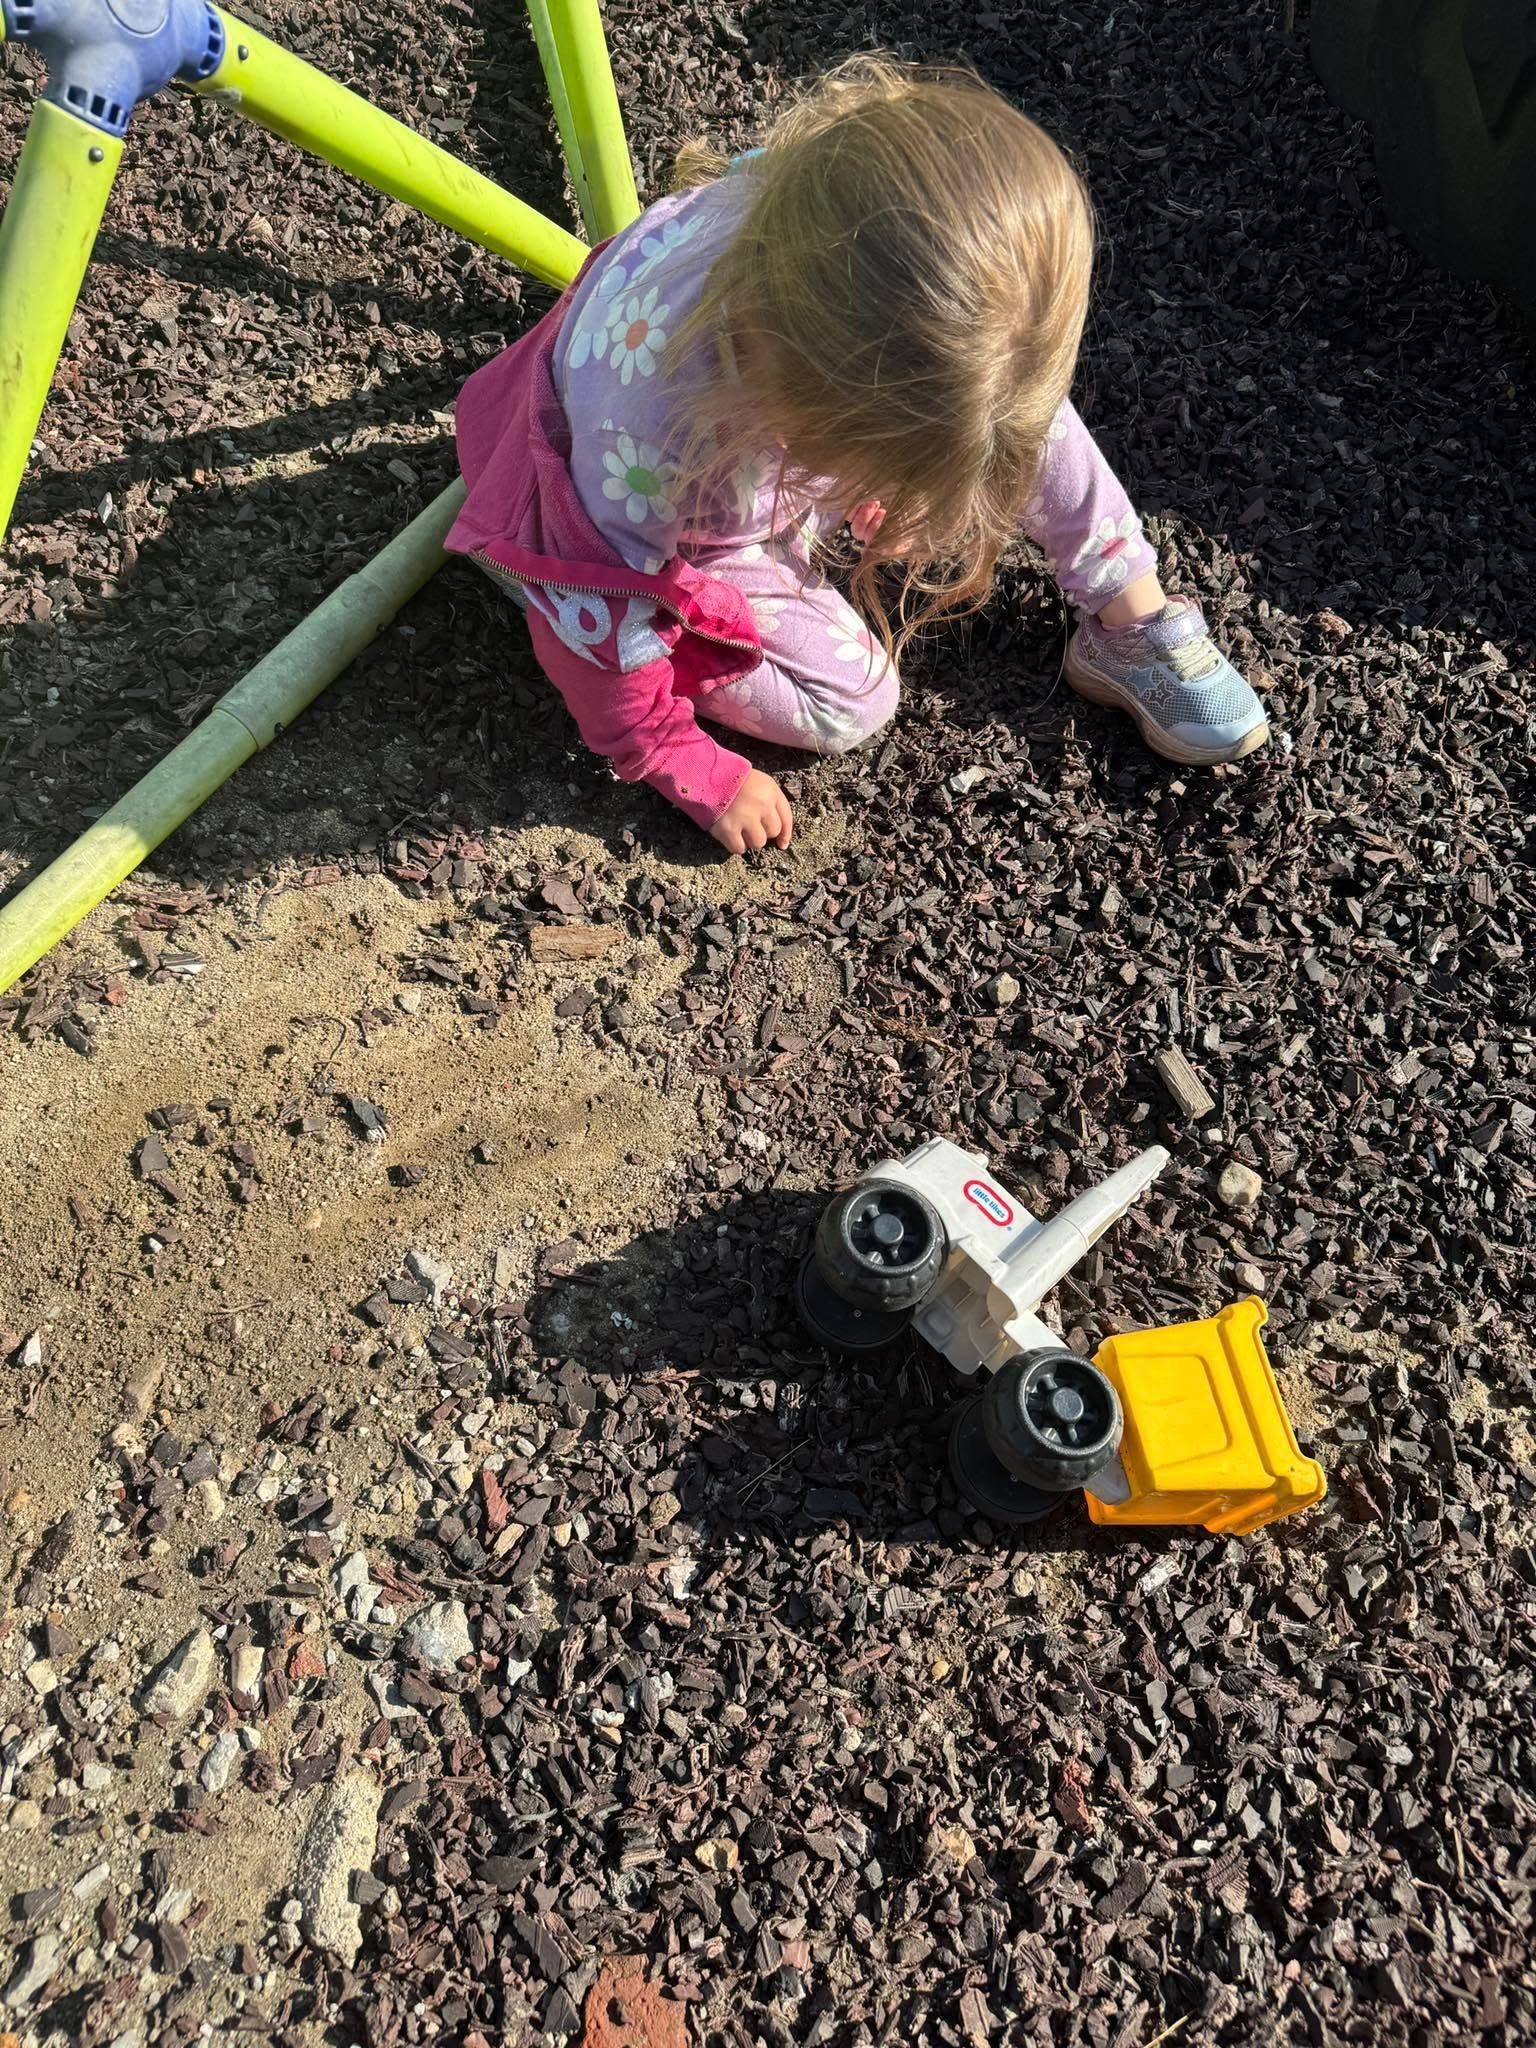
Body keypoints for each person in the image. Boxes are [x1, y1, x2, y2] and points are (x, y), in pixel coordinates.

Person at [446, 55, 1269, 855]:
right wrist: (677, 758)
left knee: (1007, 385)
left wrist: (888, 470)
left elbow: (938, 369)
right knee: (855, 700)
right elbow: (600, 635)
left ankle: (1128, 610)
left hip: (759, 429)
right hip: (635, 523)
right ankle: (524, 574)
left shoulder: (821, 213)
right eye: (872, 452)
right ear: (809, 411)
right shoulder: (646, 447)